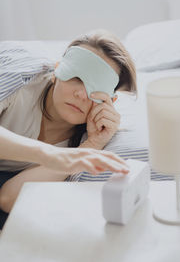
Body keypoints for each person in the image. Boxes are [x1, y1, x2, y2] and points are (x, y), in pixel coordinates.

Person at [0, 30, 137, 228]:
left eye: (95, 88)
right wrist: (50, 155)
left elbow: (8, 198)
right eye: (76, 77)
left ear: (109, 101)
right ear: (57, 71)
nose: (81, 94)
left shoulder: (83, 137)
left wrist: (92, 145)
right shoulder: (20, 84)